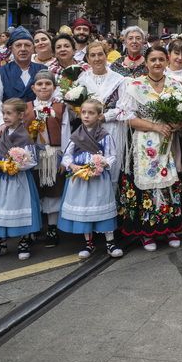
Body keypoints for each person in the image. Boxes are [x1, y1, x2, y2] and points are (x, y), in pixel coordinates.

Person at [117, 46, 182, 251]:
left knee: (169, 183)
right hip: (143, 141)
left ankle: (170, 228)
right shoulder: (135, 85)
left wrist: (177, 124)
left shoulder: (175, 85)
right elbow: (126, 117)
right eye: (152, 60)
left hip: (168, 143)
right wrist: (155, 126)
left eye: (160, 59)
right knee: (146, 184)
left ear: (166, 62)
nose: (157, 63)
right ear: (146, 63)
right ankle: (146, 232)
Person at [57, 98, 123, 259]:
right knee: (84, 208)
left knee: (101, 206)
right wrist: (72, 166)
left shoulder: (104, 135)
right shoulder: (76, 135)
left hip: (98, 178)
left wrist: (101, 164)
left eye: (91, 113)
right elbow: (67, 156)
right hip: (80, 178)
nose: (86, 116)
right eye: (84, 112)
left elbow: (112, 155)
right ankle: (88, 243)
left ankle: (110, 242)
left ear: (99, 115)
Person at [0, 98, 40, 260]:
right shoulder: (1, 133)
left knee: (19, 207)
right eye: (3, 113)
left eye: (9, 113)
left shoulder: (25, 136)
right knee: (1, 207)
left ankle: (23, 241)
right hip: (2, 178)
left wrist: (17, 165)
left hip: (19, 179)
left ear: (20, 115)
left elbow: (33, 160)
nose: (5, 117)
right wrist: (0, 165)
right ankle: (1, 242)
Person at [24, 71, 70, 247]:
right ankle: (33, 227)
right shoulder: (27, 107)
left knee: (53, 190)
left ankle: (52, 227)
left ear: (54, 87)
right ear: (33, 88)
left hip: (53, 154)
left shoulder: (60, 108)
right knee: (34, 191)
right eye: (40, 84)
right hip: (32, 155)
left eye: (48, 84)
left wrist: (64, 157)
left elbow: (66, 133)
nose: (44, 87)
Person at [77, 41, 128, 192]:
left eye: (100, 54)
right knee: (89, 167)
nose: (97, 58)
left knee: (110, 167)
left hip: (111, 129)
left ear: (106, 56)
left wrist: (104, 117)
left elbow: (124, 108)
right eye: (92, 55)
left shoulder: (119, 80)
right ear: (87, 58)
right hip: (88, 130)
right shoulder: (82, 79)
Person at [0, 27, 48, 134]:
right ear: (11, 48)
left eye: (27, 45)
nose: (23, 49)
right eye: (18, 45)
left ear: (33, 48)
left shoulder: (43, 70)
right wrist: (2, 122)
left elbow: (50, 100)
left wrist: (41, 119)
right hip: (10, 129)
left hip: (40, 128)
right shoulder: (0, 73)